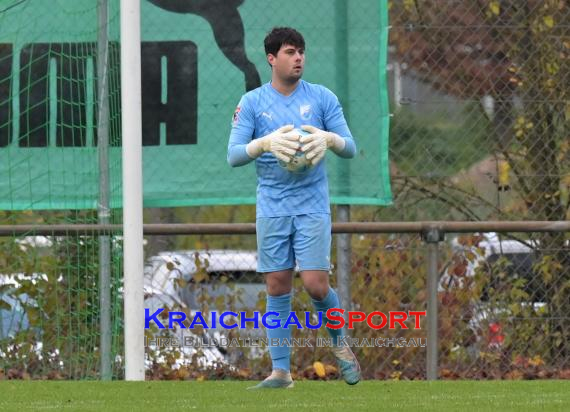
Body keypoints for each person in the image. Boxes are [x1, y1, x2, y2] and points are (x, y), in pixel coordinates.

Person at [227, 27, 359, 389]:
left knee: (316, 285)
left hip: (311, 205)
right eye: (289, 52)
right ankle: (281, 372)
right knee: (277, 285)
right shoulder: (253, 102)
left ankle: (341, 347)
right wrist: (264, 144)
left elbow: (350, 147)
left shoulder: (321, 98)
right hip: (272, 206)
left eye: (301, 51)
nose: (298, 57)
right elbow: (233, 155)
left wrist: (331, 139)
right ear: (271, 58)